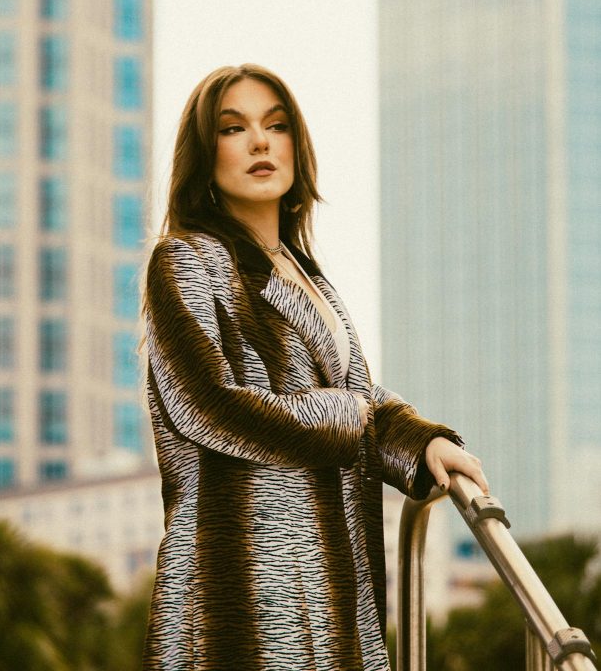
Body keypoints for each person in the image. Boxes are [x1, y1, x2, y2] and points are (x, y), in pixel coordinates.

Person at [141, 63, 488, 671]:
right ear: (204, 153)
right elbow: (206, 405)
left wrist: (421, 442)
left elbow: (361, 397)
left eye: (276, 125)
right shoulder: (185, 259)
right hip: (240, 587)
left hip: (333, 580)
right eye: (233, 128)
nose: (259, 141)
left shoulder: (310, 277)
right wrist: (350, 416)